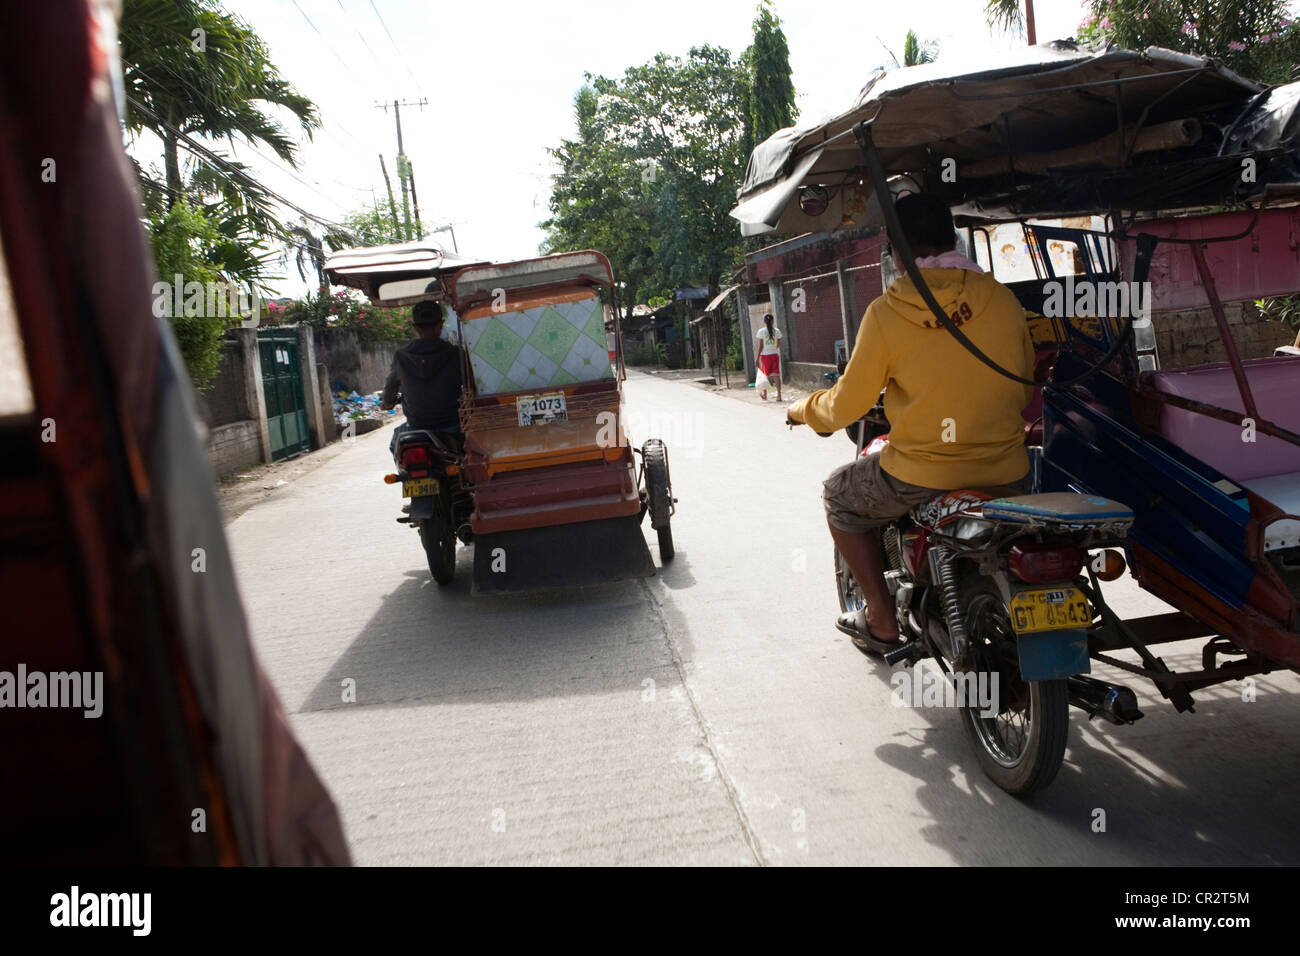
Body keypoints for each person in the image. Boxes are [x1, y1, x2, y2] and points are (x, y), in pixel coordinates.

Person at [786, 193, 1035, 646]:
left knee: (839, 496)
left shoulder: (887, 313)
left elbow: (845, 407)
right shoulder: (1001, 299)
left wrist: (802, 409)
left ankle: (881, 618)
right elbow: (1021, 387)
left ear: (896, 252)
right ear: (953, 238)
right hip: (1009, 471)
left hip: (921, 474)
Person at [381, 300, 464, 455]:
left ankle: (406, 478)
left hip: (416, 426)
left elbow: (390, 388)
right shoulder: (454, 353)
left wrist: (387, 403)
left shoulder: (401, 356)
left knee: (395, 445)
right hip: (453, 425)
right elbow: (469, 384)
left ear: (415, 327)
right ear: (440, 325)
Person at [755, 313, 783, 401]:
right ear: (773, 321)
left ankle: (765, 394)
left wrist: (757, 358)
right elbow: (778, 344)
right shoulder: (777, 331)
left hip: (765, 356)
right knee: (776, 375)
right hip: (774, 354)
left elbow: (761, 346)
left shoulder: (761, 331)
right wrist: (774, 348)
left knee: (765, 376)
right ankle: (779, 395)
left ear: (764, 321)